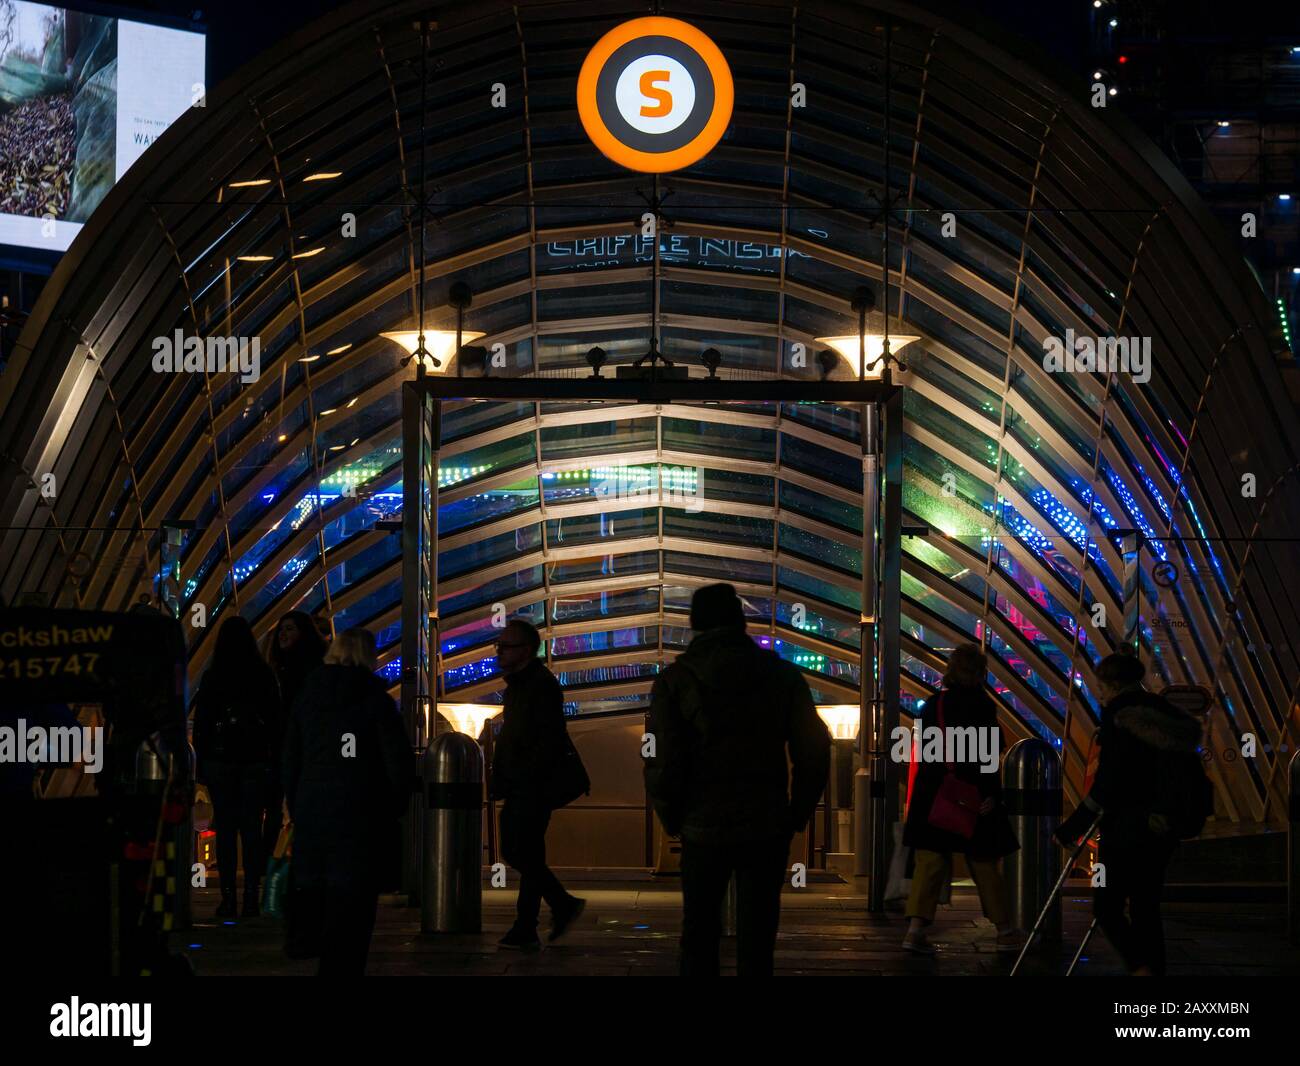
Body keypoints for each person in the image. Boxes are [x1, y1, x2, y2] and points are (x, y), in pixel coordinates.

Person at [645, 583, 831, 977]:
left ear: (695, 623)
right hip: (766, 821)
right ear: (739, 620)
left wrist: (671, 815)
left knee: (698, 929)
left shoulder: (674, 681)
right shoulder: (782, 676)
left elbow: (663, 757)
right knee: (758, 933)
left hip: (700, 822)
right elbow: (813, 750)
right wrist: (795, 814)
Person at [1055, 650, 1206, 976]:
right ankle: (1153, 970)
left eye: (1100, 685)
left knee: (1107, 907)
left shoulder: (1120, 716)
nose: (1098, 692)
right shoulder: (1167, 714)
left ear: (1111, 683)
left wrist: (1072, 828)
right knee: (1146, 908)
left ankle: (1140, 968)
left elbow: (1109, 782)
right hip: (1164, 827)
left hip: (1127, 827)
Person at [282, 627, 411, 976]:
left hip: (313, 808)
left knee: (319, 889)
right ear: (368, 656)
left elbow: (292, 757)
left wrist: (297, 804)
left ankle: (318, 951)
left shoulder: (307, 695)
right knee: (354, 902)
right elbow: (396, 762)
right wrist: (394, 807)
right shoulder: (375, 700)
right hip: (361, 813)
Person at [901, 643, 1024, 955]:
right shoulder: (982, 707)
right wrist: (991, 795)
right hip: (972, 794)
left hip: (935, 794)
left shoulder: (933, 705)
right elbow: (988, 754)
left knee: (930, 861)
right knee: (983, 862)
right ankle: (1004, 930)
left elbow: (926, 750)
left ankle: (915, 930)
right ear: (981, 674)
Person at [490, 619, 586, 950]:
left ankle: (561, 903)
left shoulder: (537, 686)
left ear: (526, 650)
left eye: (506, 646)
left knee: (517, 850)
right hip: (528, 783)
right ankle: (526, 924)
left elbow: (541, 740)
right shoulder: (523, 684)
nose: (499, 651)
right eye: (498, 645)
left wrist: (516, 778)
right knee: (528, 852)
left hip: (530, 785)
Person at [192, 615, 280, 918]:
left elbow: (202, 722)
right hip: (255, 760)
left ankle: (228, 898)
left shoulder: (214, 676)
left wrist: (202, 762)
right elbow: (275, 720)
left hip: (220, 760)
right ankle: (252, 896)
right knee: (252, 827)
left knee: (226, 829)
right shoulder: (263, 674)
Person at [263, 611, 327, 868]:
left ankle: (277, 865)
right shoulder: (280, 671)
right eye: (281, 630)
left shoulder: (299, 672)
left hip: (297, 749)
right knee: (280, 806)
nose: (283, 635)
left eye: (289, 629)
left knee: (286, 805)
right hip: (286, 748)